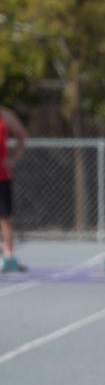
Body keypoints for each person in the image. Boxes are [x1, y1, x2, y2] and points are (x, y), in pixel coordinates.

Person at [0, 106, 28, 272]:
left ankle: (9, 256)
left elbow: (22, 137)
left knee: (5, 218)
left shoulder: (5, 115)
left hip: (2, 176)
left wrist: (13, 159)